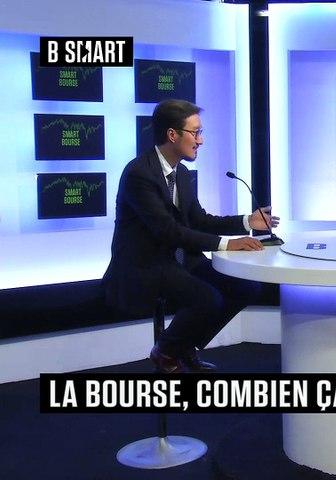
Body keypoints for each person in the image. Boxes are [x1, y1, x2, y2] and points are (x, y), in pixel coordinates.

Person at [102, 99, 280, 373]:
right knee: (207, 298)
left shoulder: (182, 173)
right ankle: (165, 350)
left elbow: (198, 220)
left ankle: (182, 346)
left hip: (179, 260)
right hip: (145, 265)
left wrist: (247, 221)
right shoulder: (139, 173)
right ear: (172, 134)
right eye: (195, 133)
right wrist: (228, 244)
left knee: (246, 288)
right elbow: (167, 231)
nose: (201, 140)